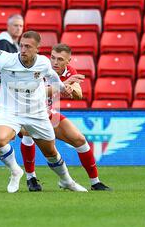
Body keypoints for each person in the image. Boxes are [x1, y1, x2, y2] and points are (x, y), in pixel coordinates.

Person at [0, 31, 88, 193]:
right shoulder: (7, 59)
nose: (23, 49)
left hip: (37, 113)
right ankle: (16, 170)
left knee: (50, 152)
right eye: (22, 45)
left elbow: (52, 77)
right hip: (10, 112)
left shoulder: (43, 63)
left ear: (37, 49)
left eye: (28, 47)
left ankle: (67, 181)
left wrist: (64, 88)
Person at [20, 44, 111, 192]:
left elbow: (79, 94)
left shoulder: (69, 72)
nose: (55, 62)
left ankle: (95, 182)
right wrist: (62, 86)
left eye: (60, 59)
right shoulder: (39, 68)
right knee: (28, 133)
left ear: (68, 61)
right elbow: (33, 93)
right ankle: (31, 178)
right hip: (27, 112)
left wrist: (70, 89)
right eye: (53, 58)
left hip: (48, 113)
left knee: (80, 140)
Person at [0, 14, 24, 101]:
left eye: (21, 26)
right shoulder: (3, 43)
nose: (18, 28)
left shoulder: (16, 45)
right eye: (16, 25)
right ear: (8, 27)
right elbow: (0, 68)